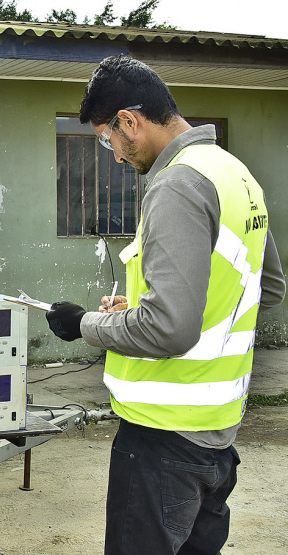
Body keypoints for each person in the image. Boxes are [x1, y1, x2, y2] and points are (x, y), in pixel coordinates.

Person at [46, 54, 286, 555]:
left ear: (129, 121)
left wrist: (86, 324)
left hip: (164, 438)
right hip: (217, 434)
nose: (112, 153)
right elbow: (267, 289)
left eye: (107, 138)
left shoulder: (176, 183)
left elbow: (171, 330)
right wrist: (146, 308)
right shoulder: (233, 173)